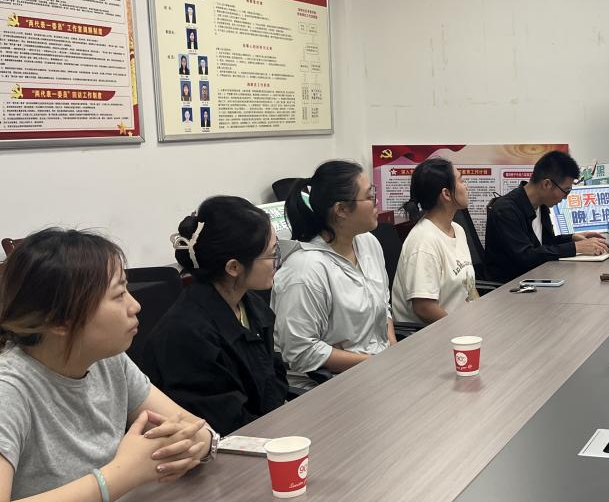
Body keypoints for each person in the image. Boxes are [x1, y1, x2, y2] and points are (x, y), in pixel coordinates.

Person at [0, 229, 215, 502]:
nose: (135, 305)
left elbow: (193, 428)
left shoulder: (108, 361)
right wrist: (119, 476)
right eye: (119, 295)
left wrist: (197, 443)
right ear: (61, 321)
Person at [141, 197, 290, 435]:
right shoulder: (187, 334)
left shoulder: (251, 304)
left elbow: (274, 377)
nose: (277, 262)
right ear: (233, 267)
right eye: (272, 254)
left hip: (268, 428)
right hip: (230, 444)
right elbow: (223, 421)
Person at [272, 160, 395, 392]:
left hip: (375, 369)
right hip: (329, 385)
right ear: (341, 210)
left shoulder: (368, 243)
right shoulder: (305, 269)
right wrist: (375, 363)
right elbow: (301, 351)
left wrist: (393, 353)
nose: (377, 202)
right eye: (370, 196)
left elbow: (383, 305)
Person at [484, 150, 608, 283]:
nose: (565, 197)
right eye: (566, 191)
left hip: (536, 278)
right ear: (547, 184)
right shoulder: (505, 211)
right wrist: (576, 247)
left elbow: (545, 243)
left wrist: (572, 238)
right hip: (510, 287)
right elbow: (526, 256)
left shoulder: (541, 204)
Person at [392, 159, 478, 326]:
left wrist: (480, 316)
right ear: (446, 194)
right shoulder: (423, 241)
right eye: (461, 180)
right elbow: (424, 308)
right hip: (438, 334)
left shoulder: (458, 230)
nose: (466, 186)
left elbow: (469, 288)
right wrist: (462, 331)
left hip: (463, 327)